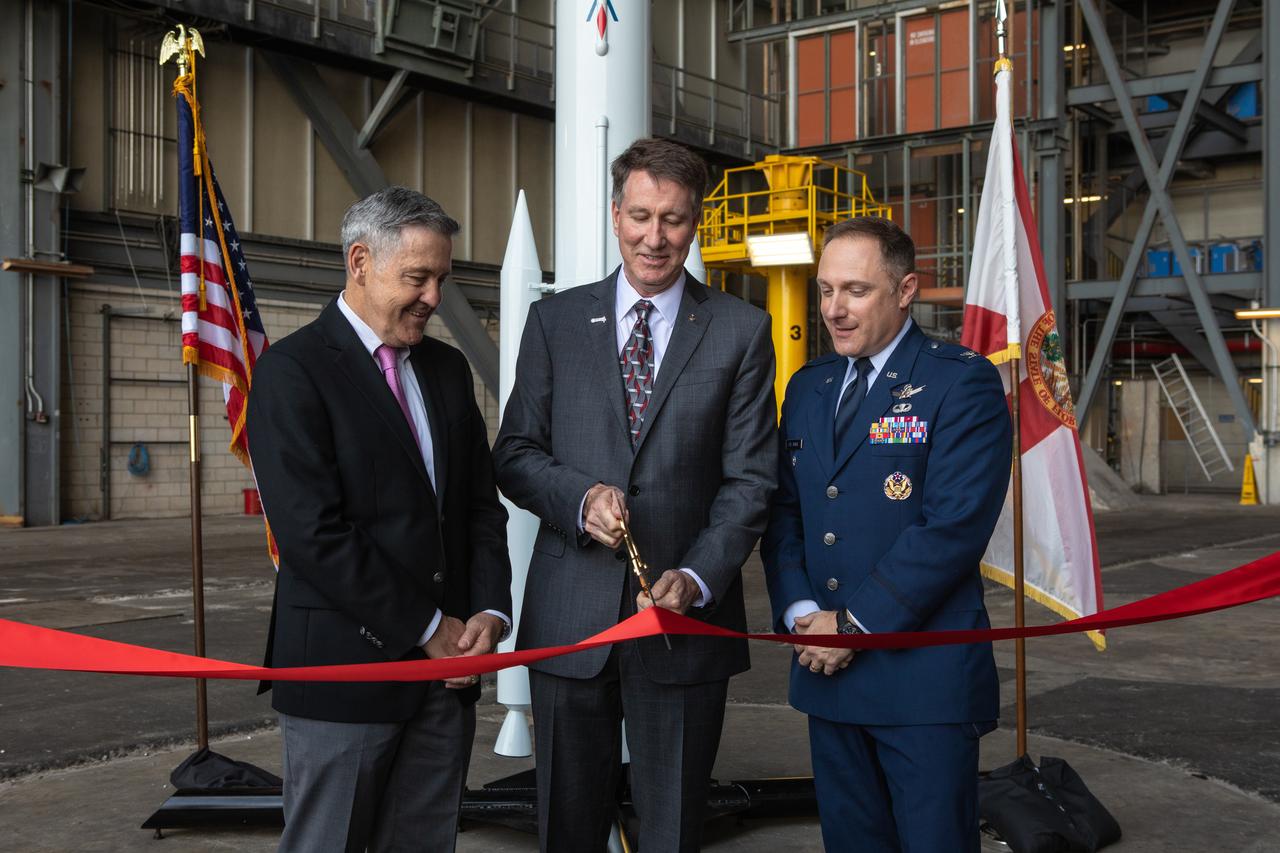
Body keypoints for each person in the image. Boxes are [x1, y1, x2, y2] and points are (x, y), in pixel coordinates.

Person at [492, 137, 777, 853]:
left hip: (682, 629)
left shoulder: (742, 330)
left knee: (674, 829)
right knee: (567, 828)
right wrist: (578, 498)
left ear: (696, 222)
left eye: (675, 220)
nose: (656, 237)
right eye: (642, 215)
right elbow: (515, 454)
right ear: (615, 214)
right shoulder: (555, 322)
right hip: (571, 624)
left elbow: (751, 479)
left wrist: (700, 573)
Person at [247, 187, 512, 853]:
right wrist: (427, 628)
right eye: (417, 277)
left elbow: (479, 506)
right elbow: (312, 533)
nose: (432, 297)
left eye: (440, 279)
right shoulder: (291, 371)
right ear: (360, 261)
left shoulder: (448, 369)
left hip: (445, 677)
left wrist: (488, 609)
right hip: (344, 676)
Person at [761, 216, 1012, 852]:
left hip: (921, 683)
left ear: (906, 290)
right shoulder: (809, 387)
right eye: (824, 291)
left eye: (855, 291)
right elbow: (785, 512)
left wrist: (853, 626)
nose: (834, 310)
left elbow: (951, 528)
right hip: (825, 671)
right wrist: (803, 615)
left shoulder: (961, 382)